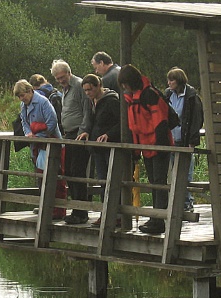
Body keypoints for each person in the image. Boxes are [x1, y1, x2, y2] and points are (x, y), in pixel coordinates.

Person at [118, 64, 175, 234]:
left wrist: (159, 146)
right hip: (146, 145)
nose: (123, 88)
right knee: (154, 183)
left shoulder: (150, 95)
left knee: (159, 183)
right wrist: (137, 151)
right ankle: (155, 218)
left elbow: (160, 122)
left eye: (124, 84)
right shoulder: (134, 98)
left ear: (130, 82)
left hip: (157, 145)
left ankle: (158, 220)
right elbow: (135, 127)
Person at [14, 79, 67, 220]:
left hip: (52, 143)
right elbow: (24, 122)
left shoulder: (43, 102)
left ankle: (59, 210)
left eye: (23, 95)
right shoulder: (23, 105)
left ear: (30, 91)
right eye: (19, 96)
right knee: (42, 176)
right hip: (37, 146)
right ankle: (47, 207)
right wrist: (28, 134)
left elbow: (52, 121)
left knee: (56, 176)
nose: (21, 98)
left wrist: (39, 136)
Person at [51, 60, 93, 225]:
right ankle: (76, 209)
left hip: (78, 134)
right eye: (57, 78)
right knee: (69, 171)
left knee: (77, 172)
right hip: (68, 134)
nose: (60, 80)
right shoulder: (65, 89)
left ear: (69, 72)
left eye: (62, 77)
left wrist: (83, 131)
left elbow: (87, 110)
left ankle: (81, 212)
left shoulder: (79, 86)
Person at [76, 74, 121, 225]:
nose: (88, 93)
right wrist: (86, 131)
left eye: (90, 89)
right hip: (97, 147)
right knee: (102, 181)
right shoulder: (92, 102)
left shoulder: (111, 101)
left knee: (112, 181)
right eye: (85, 90)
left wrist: (109, 134)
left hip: (110, 147)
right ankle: (105, 213)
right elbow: (92, 121)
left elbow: (122, 123)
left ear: (98, 86)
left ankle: (117, 215)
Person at [164, 67, 204, 212]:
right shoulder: (168, 95)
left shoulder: (192, 97)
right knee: (174, 173)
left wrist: (192, 141)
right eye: (168, 79)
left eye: (172, 80)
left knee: (185, 173)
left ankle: (187, 203)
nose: (169, 82)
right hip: (172, 139)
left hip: (185, 139)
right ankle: (176, 202)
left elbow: (196, 120)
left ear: (179, 81)